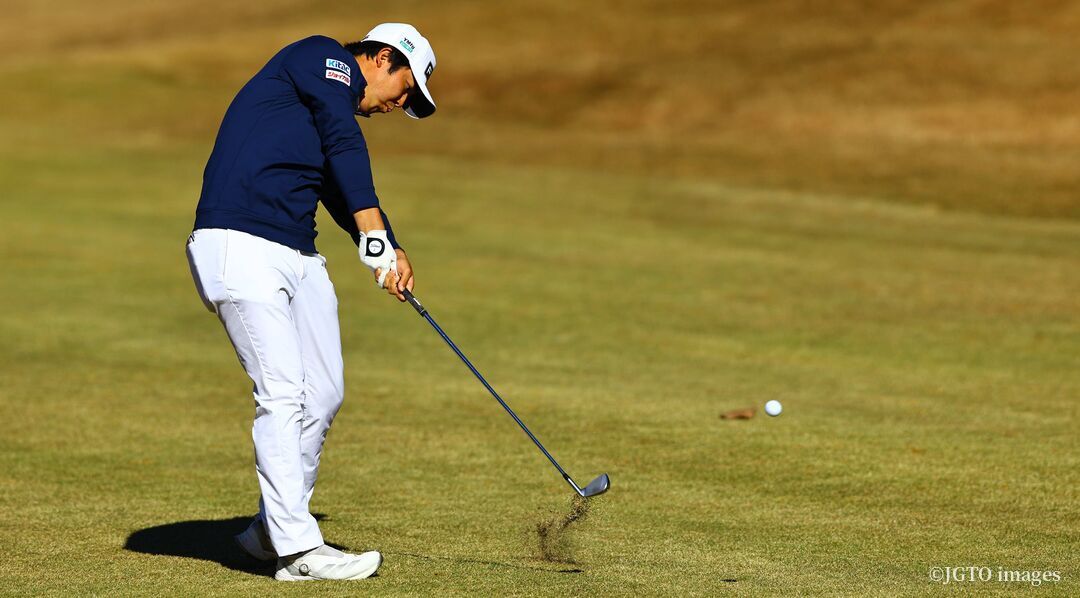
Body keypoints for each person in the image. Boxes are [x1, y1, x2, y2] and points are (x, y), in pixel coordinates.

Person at [184, 23, 437, 581]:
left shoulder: (324, 113)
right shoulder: (322, 58)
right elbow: (344, 141)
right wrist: (374, 234)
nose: (399, 105)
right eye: (405, 89)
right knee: (282, 393)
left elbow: (340, 185)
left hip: (297, 251)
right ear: (382, 57)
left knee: (322, 392)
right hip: (238, 242)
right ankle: (298, 552)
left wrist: (389, 246)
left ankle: (269, 531)